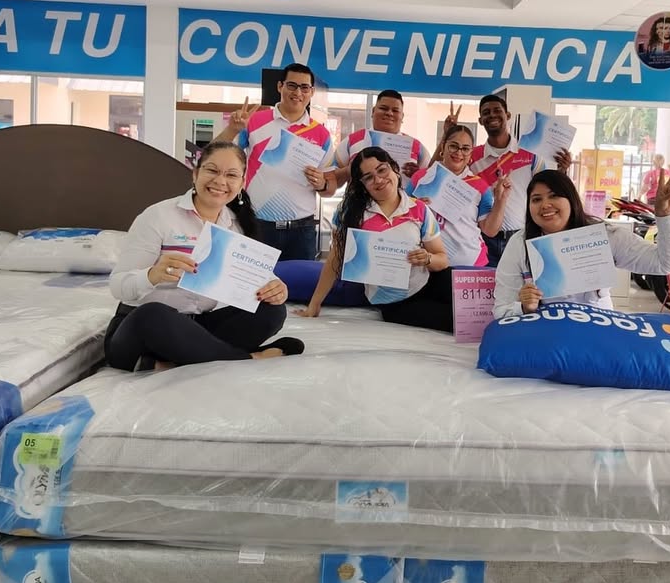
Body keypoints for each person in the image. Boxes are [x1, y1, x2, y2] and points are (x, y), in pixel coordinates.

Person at [105, 141, 302, 372]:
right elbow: (118, 286)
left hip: (198, 327)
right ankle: (248, 358)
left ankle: (176, 361)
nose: (220, 181)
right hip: (144, 331)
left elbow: (257, 279)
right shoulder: (158, 216)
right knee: (152, 314)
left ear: (241, 184)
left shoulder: (237, 225)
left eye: (231, 175)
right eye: (212, 170)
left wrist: (276, 289)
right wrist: (152, 276)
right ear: (195, 173)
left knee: (271, 310)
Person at [297, 147, 454, 332]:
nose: (378, 180)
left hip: (429, 281)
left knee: (474, 305)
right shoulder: (350, 213)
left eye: (382, 170)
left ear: (394, 167)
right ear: (362, 184)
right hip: (395, 302)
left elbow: (442, 260)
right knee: (457, 321)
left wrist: (427, 258)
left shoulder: (418, 209)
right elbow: (335, 258)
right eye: (368, 177)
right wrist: (314, 304)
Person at [494, 168, 670, 319]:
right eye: (536, 199)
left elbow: (667, 263)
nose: (545, 205)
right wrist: (524, 307)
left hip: (598, 335)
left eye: (554, 196)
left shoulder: (603, 236)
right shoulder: (519, 244)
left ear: (571, 200)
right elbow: (501, 311)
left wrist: (665, 217)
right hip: (547, 340)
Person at [215, 63, 337, 261]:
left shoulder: (321, 134)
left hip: (302, 231)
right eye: (292, 85)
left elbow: (330, 188)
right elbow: (215, 154)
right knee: (254, 280)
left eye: (304, 87)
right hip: (259, 225)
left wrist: (322, 183)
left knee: (299, 281)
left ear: (312, 92)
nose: (298, 92)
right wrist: (232, 130)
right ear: (280, 86)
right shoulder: (254, 121)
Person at [467, 94, 571, 267]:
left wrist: (562, 170)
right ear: (480, 120)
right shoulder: (472, 156)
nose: (492, 115)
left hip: (521, 237)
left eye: (497, 110)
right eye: (486, 112)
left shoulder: (530, 153)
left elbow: (547, 187)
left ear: (508, 115)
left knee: (523, 284)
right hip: (483, 239)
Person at [407, 124, 510, 267]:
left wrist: (501, 199)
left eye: (465, 149)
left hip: (469, 266)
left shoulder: (479, 186)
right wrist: (416, 206)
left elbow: (489, 230)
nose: (459, 153)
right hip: (428, 264)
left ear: (470, 153)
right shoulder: (421, 178)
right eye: (453, 146)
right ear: (443, 146)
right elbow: (402, 214)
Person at [331, 90, 431, 185]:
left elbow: (430, 183)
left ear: (402, 116)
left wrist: (418, 176)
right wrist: (348, 170)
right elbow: (330, 181)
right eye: (384, 108)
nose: (389, 113)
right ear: (373, 111)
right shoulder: (352, 140)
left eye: (395, 110)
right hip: (357, 198)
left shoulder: (416, 146)